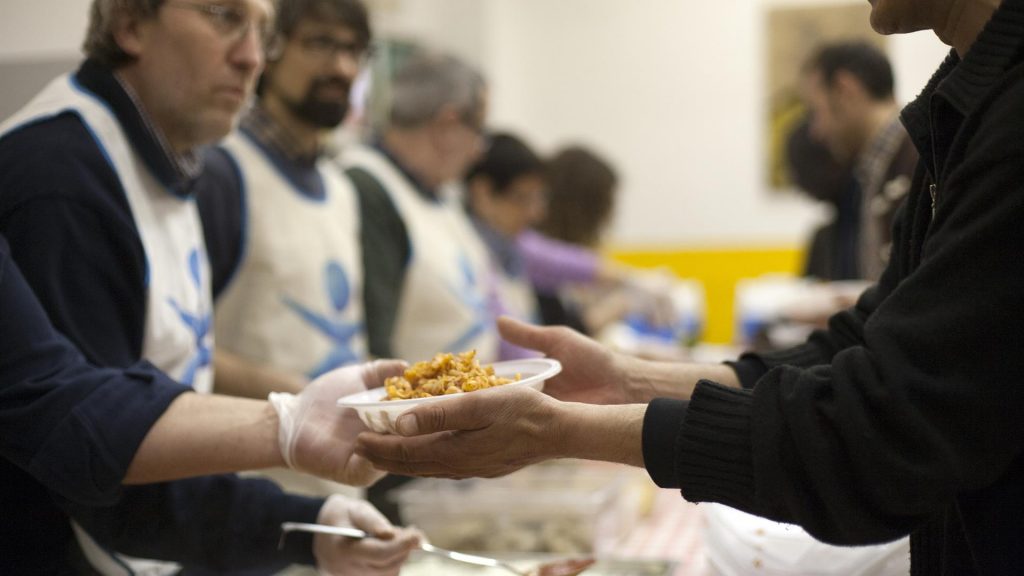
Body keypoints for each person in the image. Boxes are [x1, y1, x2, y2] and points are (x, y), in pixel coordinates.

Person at [355, 0, 1024, 572]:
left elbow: (878, 429)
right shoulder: (960, 110)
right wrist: (630, 379)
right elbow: (861, 345)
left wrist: (563, 429)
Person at [0, 0, 413, 573]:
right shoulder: (59, 175)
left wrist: (303, 529)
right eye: (223, 17)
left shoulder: (170, 155)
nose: (250, 58)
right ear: (130, 24)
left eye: (262, 31)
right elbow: (87, 440)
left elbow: (151, 419)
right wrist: (289, 428)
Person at [199, 0, 370, 392]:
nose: (343, 68)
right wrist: (301, 396)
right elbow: (174, 347)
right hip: (245, 446)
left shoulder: (340, 188)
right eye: (320, 44)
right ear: (268, 50)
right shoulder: (221, 171)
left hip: (337, 447)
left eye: (353, 50)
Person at [340, 50, 498, 363]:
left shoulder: (438, 192)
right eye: (479, 130)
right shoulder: (368, 187)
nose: (480, 150)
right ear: (446, 125)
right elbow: (374, 347)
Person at [800, 40, 918, 281]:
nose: (815, 132)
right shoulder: (882, 165)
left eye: (816, 111)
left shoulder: (919, 160)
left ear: (845, 90)